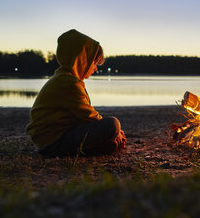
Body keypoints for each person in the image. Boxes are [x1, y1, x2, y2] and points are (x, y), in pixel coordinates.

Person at [26, 29, 126, 157]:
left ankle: (102, 147)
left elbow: (80, 116)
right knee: (113, 123)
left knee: (108, 135)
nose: (95, 69)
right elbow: (88, 115)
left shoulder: (64, 78)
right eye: (94, 63)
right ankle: (102, 145)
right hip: (53, 142)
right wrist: (117, 132)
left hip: (52, 140)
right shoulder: (68, 82)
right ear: (82, 60)